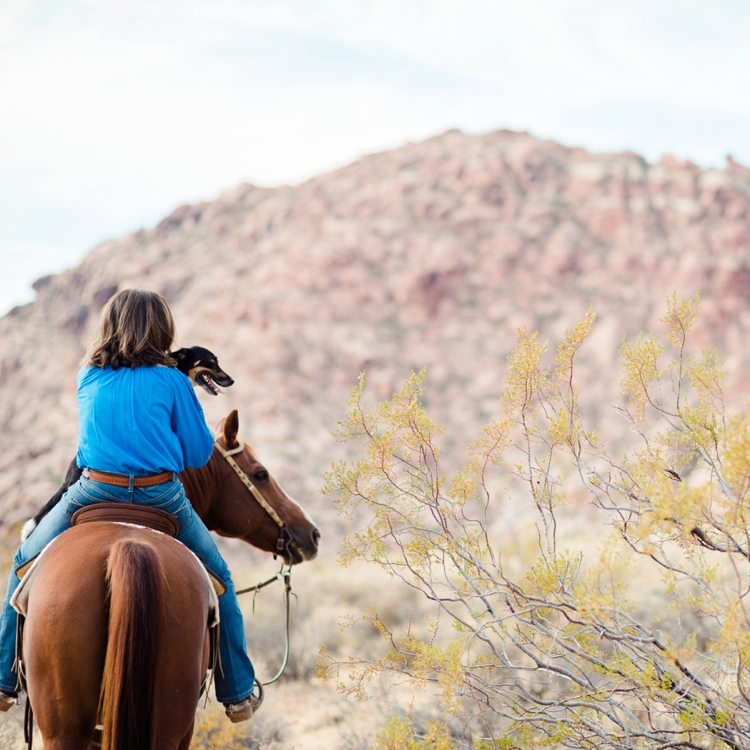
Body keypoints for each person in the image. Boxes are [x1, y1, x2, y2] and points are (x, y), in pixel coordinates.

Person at [0, 288, 258, 722]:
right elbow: (198, 456)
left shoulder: (89, 376)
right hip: (162, 495)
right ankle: (237, 692)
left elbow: (86, 448)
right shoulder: (175, 381)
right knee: (221, 581)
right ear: (163, 330)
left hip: (94, 491)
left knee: (22, 562)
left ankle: (5, 678)